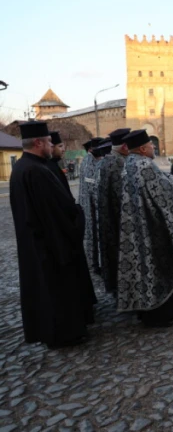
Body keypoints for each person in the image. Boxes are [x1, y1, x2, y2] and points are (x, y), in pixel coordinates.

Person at [10, 121, 96, 348]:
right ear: (38, 142)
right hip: (52, 245)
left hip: (36, 244)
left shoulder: (21, 167)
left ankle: (55, 332)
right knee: (57, 291)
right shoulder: (36, 171)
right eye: (49, 141)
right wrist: (78, 216)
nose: (52, 145)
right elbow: (57, 212)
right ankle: (65, 335)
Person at [118, 129, 173, 327]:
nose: (154, 148)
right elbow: (166, 192)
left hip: (138, 228)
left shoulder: (129, 165)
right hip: (153, 228)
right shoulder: (145, 166)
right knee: (157, 269)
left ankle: (147, 313)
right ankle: (161, 315)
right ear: (142, 148)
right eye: (151, 145)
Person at [95, 128, 131, 297]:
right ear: (124, 146)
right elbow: (122, 197)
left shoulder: (109, 160)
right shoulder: (118, 163)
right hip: (118, 224)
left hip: (110, 221)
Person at [79, 137, 104, 275]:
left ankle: (94, 263)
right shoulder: (90, 162)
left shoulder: (89, 160)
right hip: (91, 207)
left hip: (89, 206)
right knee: (93, 237)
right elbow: (93, 187)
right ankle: (95, 265)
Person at [46, 131, 73, 199]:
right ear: (52, 148)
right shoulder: (49, 167)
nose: (63, 150)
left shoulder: (54, 164)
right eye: (60, 146)